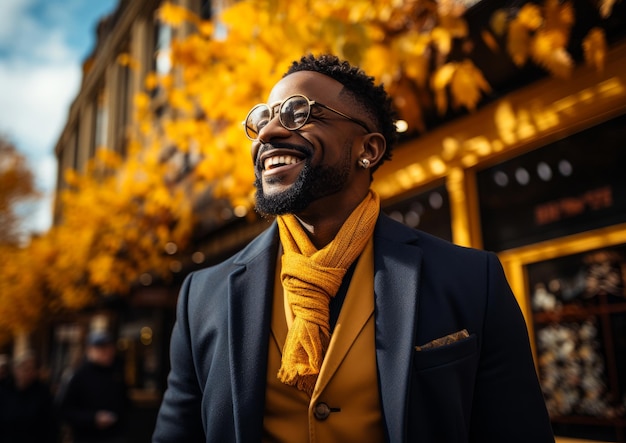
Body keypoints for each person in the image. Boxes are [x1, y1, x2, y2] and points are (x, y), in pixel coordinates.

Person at [152, 54, 554, 442]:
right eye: (262, 121)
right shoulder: (201, 296)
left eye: (299, 113)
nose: (269, 133)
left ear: (369, 149)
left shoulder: (471, 280)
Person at [59, 330, 129, 443]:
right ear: (89, 350)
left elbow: (125, 402)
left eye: (109, 347)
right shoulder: (78, 375)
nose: (107, 352)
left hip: (115, 435)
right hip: (87, 437)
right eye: (101, 348)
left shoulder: (116, 373)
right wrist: (93, 419)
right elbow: (64, 410)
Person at [0, 351, 58, 442]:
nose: (28, 373)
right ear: (15, 369)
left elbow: (51, 426)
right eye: (24, 368)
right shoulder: (4, 389)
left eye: (32, 369)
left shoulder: (43, 393)